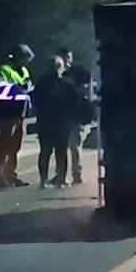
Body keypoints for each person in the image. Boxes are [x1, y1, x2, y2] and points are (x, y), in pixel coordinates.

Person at [32, 56, 81, 189]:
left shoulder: (41, 84)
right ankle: (60, 179)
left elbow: (35, 101)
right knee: (61, 153)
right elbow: (76, 104)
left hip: (45, 122)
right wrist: (75, 121)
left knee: (45, 152)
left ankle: (43, 180)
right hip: (62, 123)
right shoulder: (68, 85)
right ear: (61, 67)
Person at [0, 44, 34, 188]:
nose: (27, 62)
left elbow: (28, 87)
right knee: (4, 145)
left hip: (19, 113)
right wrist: (21, 90)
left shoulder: (23, 70)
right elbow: (0, 89)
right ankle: (0, 177)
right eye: (25, 59)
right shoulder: (4, 69)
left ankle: (11, 174)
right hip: (5, 112)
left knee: (15, 146)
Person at [56, 47, 92, 185]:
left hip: (74, 113)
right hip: (60, 114)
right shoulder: (55, 74)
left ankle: (77, 174)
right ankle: (60, 175)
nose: (67, 60)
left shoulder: (77, 71)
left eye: (68, 57)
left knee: (75, 146)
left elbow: (86, 82)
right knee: (61, 147)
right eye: (64, 57)